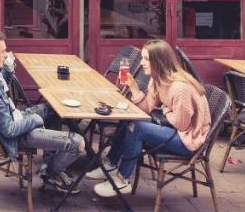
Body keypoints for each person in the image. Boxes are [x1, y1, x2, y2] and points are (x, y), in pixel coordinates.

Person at [0, 29, 84, 193]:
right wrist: (35, 120)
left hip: (14, 118)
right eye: (3, 51)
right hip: (12, 137)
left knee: (54, 109)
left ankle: (48, 162)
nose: (6, 55)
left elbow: (1, 93)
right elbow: (9, 130)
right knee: (78, 143)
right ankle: (50, 174)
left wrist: (8, 70)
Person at [88, 39, 211, 197]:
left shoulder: (180, 88)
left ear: (159, 61)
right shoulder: (157, 79)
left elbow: (181, 124)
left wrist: (166, 109)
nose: (142, 63)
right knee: (129, 120)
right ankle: (110, 164)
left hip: (189, 141)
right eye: (142, 58)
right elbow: (147, 108)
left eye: (146, 59)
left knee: (138, 128)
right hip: (176, 131)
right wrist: (133, 86)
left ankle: (122, 180)